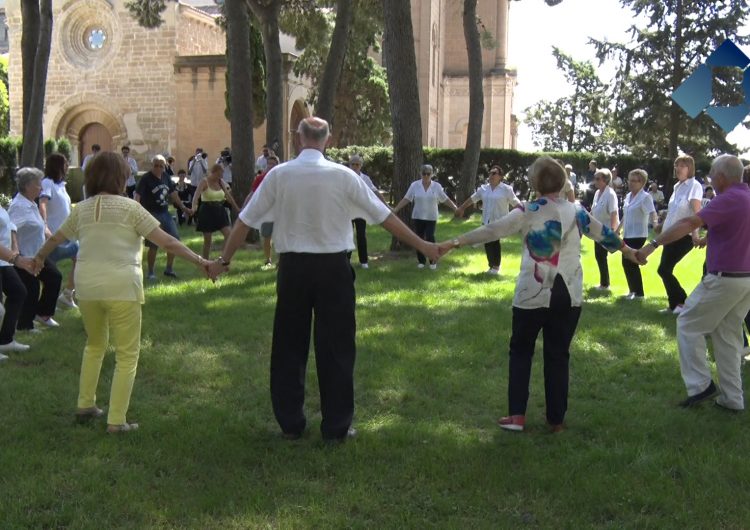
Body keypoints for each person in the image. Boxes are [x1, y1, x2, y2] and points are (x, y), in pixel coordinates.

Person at [209, 117, 439, 442]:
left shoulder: (279, 174)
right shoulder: (344, 176)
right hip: (334, 269)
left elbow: (244, 220)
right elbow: (384, 216)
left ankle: (290, 424)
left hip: (293, 269)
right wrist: (424, 245)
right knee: (337, 348)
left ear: (299, 138)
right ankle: (336, 427)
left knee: (289, 345)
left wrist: (224, 260)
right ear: (328, 140)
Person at [436, 156, 636, 433]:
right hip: (568, 295)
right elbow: (606, 235)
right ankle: (556, 421)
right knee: (558, 355)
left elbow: (492, 229)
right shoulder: (577, 211)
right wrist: (632, 253)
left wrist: (454, 242)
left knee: (520, 351)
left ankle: (516, 416)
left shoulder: (528, 210)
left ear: (536, 182)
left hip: (532, 293)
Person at [33, 152, 213, 433]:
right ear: (120, 177)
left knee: (94, 345)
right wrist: (202, 262)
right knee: (127, 355)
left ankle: (85, 403)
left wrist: (38, 259)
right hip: (122, 287)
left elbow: (56, 238)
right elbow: (167, 241)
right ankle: (116, 420)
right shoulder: (130, 208)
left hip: (87, 287)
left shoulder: (81, 209)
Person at [636, 155, 750, 411]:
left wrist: (652, 245)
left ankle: (701, 386)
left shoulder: (729, 198)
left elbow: (690, 222)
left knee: (687, 323)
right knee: (728, 337)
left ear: (721, 177)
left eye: (712, 174)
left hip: (725, 279)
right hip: (745, 281)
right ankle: (732, 400)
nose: (710, 178)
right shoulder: (746, 198)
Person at [8, 168, 63, 330]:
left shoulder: (31, 203)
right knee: (31, 289)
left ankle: (43, 314)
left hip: (38, 254)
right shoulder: (19, 206)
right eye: (38, 184)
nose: (41, 188)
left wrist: (54, 239)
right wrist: (17, 255)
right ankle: (25, 325)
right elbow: (11, 229)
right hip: (25, 256)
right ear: (27, 186)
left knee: (54, 277)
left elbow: (41, 226)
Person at [654, 155, 703, 314]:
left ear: (690, 168)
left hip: (684, 236)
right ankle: (674, 305)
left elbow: (697, 213)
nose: (678, 169)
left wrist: (695, 234)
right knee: (664, 270)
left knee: (664, 269)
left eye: (682, 166)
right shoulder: (677, 187)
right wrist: (662, 225)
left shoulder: (694, 186)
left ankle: (682, 303)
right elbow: (674, 211)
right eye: (676, 166)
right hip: (669, 234)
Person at [134, 155, 193, 280]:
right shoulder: (146, 179)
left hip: (164, 213)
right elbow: (137, 196)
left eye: (161, 166)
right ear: (152, 165)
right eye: (156, 165)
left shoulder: (166, 177)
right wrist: (138, 213)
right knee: (154, 243)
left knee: (174, 239)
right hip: (151, 213)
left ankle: (169, 269)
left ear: (165, 167)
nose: (158, 168)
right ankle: (151, 273)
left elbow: (174, 195)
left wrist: (184, 208)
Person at [455, 165, 520, 274]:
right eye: (490, 173)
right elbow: (473, 199)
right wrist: (461, 208)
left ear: (500, 176)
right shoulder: (484, 189)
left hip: (500, 221)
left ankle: (495, 267)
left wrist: (525, 211)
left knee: (494, 242)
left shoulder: (506, 189)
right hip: (486, 221)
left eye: (494, 173)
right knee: (487, 242)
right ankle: (491, 266)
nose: (491, 175)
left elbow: (515, 202)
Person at [393, 164, 459, 269]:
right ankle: (421, 261)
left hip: (431, 216)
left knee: (430, 237)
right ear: (421, 174)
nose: (426, 176)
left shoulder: (437, 186)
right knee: (419, 239)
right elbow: (407, 198)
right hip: (418, 216)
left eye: (428, 174)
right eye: (424, 174)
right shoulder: (414, 185)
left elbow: (445, 199)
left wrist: (455, 208)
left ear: (432, 174)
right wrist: (396, 209)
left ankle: (433, 261)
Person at [39, 153, 78, 309]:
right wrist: (45, 225)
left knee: (80, 258)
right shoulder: (47, 183)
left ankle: (68, 294)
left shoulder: (61, 185)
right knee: (49, 270)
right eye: (65, 164)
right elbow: (42, 203)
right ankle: (47, 301)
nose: (67, 166)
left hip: (67, 233)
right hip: (53, 234)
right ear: (58, 166)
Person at [0, 205, 35, 357]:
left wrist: (14, 245)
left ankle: (6, 341)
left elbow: (9, 224)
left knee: (18, 292)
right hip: (6, 259)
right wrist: (16, 259)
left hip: (4, 261)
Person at [617, 169, 657, 300]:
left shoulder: (645, 197)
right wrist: (618, 229)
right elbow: (625, 215)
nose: (631, 183)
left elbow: (652, 212)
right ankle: (632, 290)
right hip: (628, 234)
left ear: (642, 183)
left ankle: (639, 293)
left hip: (638, 234)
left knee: (631, 261)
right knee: (626, 262)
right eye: (630, 180)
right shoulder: (628, 196)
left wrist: (656, 225)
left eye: (634, 181)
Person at [192, 163, 240, 259]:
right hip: (207, 211)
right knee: (208, 240)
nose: (221, 176)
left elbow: (228, 197)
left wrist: (237, 209)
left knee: (228, 235)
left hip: (220, 211)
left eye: (222, 174)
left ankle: (222, 259)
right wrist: (193, 207)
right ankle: (205, 261)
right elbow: (195, 197)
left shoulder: (221, 182)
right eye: (219, 173)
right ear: (214, 172)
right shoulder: (204, 182)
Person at [349, 154, 388, 269]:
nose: (355, 166)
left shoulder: (365, 178)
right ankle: (346, 260)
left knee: (361, 235)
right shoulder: (345, 176)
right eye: (353, 164)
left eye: (357, 164)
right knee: (347, 235)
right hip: (347, 211)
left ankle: (364, 261)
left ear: (361, 166)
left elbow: (375, 192)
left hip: (361, 211)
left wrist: (385, 205)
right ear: (349, 165)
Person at [590, 168, 619, 291]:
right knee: (599, 255)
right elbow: (593, 210)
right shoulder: (597, 193)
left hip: (606, 229)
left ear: (605, 180)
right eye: (595, 178)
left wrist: (612, 230)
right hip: (597, 229)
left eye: (598, 179)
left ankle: (605, 284)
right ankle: (603, 282)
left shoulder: (610, 194)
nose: (595, 181)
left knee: (601, 256)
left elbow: (614, 213)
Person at [249, 154, 279, 269]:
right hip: (266, 212)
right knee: (267, 236)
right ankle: (268, 260)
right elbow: (253, 193)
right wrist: (246, 206)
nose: (270, 166)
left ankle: (280, 260)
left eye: (273, 164)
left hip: (280, 211)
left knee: (279, 237)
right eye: (269, 163)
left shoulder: (282, 177)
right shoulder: (260, 178)